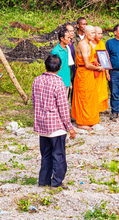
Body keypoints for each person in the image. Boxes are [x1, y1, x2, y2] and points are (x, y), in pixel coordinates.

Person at [32, 55, 76, 189]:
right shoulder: (59, 83)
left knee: (45, 155)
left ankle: (43, 181)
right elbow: (63, 108)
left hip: (42, 125)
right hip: (56, 126)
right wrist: (70, 127)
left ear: (45, 66)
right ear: (60, 68)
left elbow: (35, 102)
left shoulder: (37, 80)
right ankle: (57, 182)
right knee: (58, 155)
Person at [71, 25, 104, 130]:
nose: (94, 35)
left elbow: (90, 61)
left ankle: (91, 119)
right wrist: (99, 69)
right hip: (83, 74)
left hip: (89, 74)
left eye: (95, 33)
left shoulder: (88, 44)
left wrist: (96, 63)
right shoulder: (83, 45)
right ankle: (81, 122)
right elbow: (87, 64)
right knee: (84, 97)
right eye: (92, 33)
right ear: (86, 33)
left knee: (91, 97)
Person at [91, 26, 110, 112]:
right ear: (93, 34)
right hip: (91, 70)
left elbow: (105, 58)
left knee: (100, 90)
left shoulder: (102, 44)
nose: (101, 35)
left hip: (101, 70)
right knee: (92, 90)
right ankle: (92, 109)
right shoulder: (88, 43)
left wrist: (107, 72)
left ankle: (98, 110)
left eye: (101, 33)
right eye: (99, 33)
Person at [51, 28, 72, 95]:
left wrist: (69, 81)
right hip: (58, 82)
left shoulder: (67, 49)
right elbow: (52, 69)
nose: (70, 39)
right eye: (68, 37)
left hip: (66, 81)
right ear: (62, 38)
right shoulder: (55, 51)